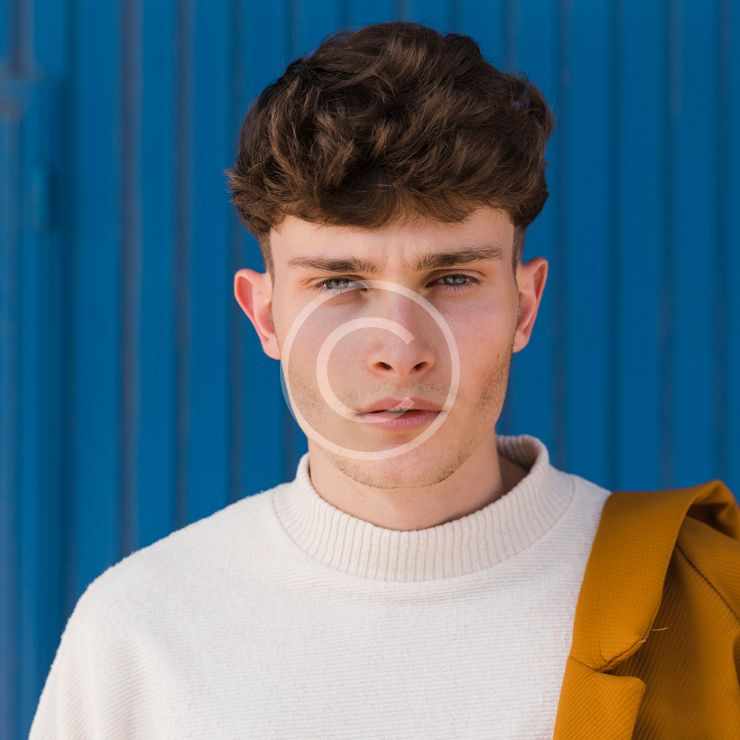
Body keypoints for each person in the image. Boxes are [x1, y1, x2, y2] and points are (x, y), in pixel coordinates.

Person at [30, 21, 739, 739]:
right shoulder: (138, 635)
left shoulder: (711, 600)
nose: (401, 351)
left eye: (453, 278)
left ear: (524, 306)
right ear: (266, 316)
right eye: (339, 282)